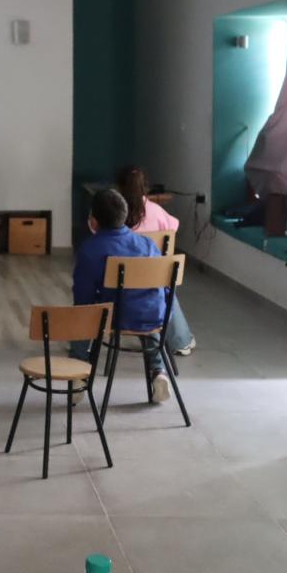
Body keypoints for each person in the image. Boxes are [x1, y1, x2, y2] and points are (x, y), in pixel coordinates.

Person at [70, 189, 173, 404]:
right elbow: (163, 290)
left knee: (82, 315)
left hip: (115, 318)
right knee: (146, 309)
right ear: (125, 216)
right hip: (155, 316)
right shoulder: (148, 245)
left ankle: (79, 373)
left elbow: (83, 297)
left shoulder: (91, 249)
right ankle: (158, 371)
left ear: (94, 221)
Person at [115, 165, 197, 356]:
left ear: (119, 187)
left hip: (118, 281)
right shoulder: (157, 211)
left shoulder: (115, 213)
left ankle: (82, 340)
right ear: (145, 187)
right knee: (165, 287)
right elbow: (172, 229)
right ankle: (180, 340)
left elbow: (98, 233)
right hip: (153, 280)